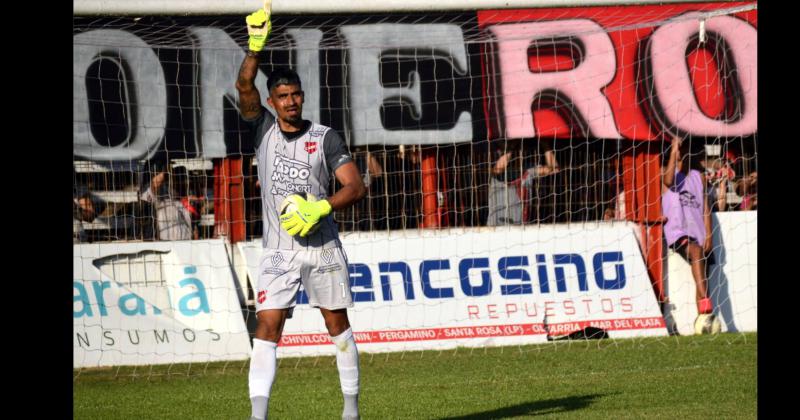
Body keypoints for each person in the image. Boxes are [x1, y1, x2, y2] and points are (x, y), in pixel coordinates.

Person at [236, 6, 366, 420]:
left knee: (336, 325)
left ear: (302, 97)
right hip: (278, 250)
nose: (291, 102)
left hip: (322, 246)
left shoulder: (325, 138)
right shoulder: (262, 130)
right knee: (267, 327)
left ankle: (350, 410)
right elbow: (243, 85)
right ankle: (258, 415)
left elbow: (355, 186)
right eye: (283, 97)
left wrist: (319, 206)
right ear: (272, 102)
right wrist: (255, 47)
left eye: (296, 95)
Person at [661, 136, 716, 331]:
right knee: (694, 251)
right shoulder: (671, 172)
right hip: (679, 231)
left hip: (699, 233)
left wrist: (709, 234)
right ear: (683, 153)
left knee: (702, 275)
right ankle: (707, 304)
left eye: (702, 154)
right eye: (697, 153)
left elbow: (706, 206)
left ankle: (703, 321)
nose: (700, 157)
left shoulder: (699, 176)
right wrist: (674, 148)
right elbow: (667, 181)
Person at [486, 139, 559, 226]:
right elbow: (498, 169)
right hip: (497, 226)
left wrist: (545, 146)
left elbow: (554, 169)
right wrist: (512, 147)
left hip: (520, 227)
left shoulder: (528, 170)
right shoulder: (495, 171)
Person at [141, 166, 199, 241]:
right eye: (180, 179)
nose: (185, 183)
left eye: (186, 180)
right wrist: (164, 171)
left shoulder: (185, 203)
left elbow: (193, 228)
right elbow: (154, 187)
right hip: (166, 242)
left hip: (186, 242)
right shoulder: (161, 199)